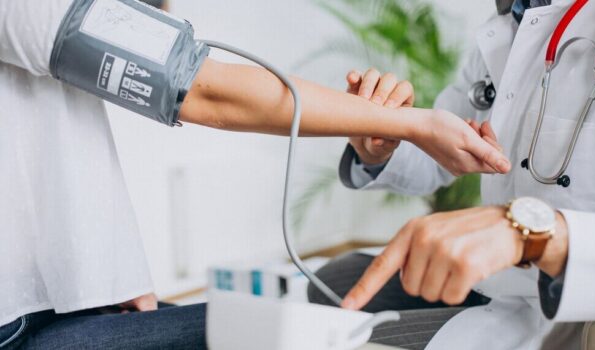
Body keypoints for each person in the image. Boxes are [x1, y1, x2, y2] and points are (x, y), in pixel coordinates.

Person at [0, 0, 510, 348]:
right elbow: (202, 89)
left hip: (52, 301)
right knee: (295, 323)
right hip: (18, 323)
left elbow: (42, 144)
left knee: (301, 322)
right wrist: (405, 124)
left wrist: (108, 272)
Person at [309, 0, 595, 349]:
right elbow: (440, 152)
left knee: (346, 341)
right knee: (332, 284)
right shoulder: (514, 21)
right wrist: (381, 145)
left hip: (581, 297)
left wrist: (539, 235)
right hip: (503, 279)